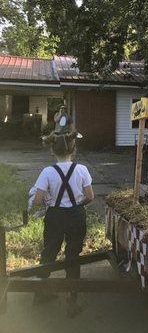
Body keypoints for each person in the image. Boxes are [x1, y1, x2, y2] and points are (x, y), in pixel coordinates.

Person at [32, 131, 94, 317]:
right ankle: (71, 302)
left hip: (55, 217)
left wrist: (51, 200)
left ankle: (40, 294)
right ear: (73, 149)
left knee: (49, 252)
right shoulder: (82, 169)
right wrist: (77, 204)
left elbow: (37, 200)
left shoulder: (47, 172)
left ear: (52, 150)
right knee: (73, 256)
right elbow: (90, 196)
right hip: (76, 216)